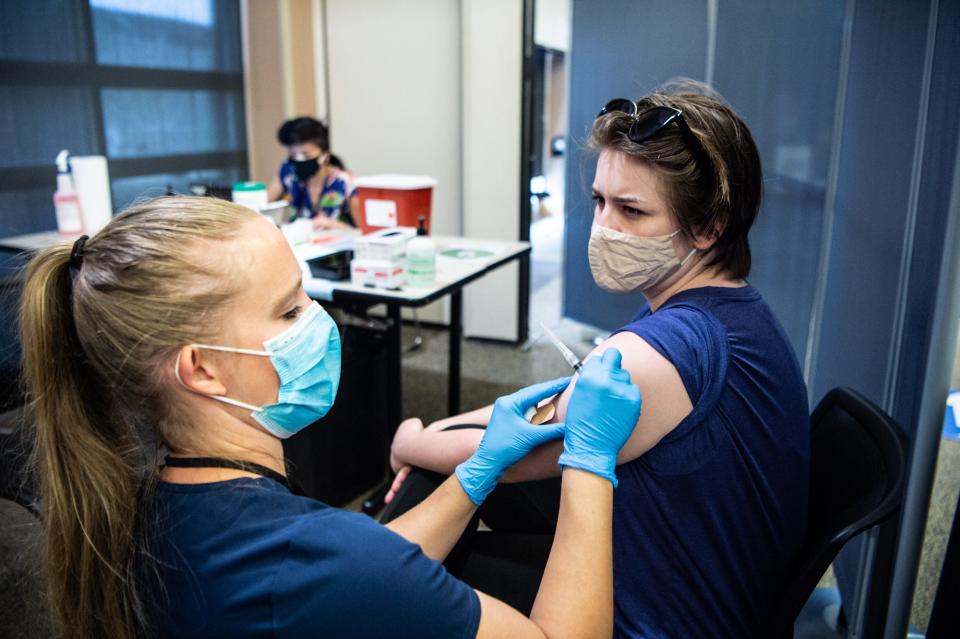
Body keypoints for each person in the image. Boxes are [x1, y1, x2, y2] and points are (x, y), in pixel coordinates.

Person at [19, 195, 643, 639]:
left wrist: (477, 470)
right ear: (201, 369)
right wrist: (588, 460)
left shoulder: (151, 500)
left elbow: (366, 561)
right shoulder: (301, 558)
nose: (320, 321)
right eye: (289, 312)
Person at [387, 80, 811, 637]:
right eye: (600, 201)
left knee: (403, 570)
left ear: (708, 227)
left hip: (664, 614)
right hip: (675, 547)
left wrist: (410, 439)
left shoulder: (659, 354)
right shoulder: (725, 307)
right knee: (440, 480)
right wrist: (438, 437)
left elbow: (516, 451)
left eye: (631, 211)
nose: (605, 227)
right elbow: (534, 416)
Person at [267, 116, 356, 230]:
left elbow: (363, 233)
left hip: (337, 244)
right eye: (293, 155)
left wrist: (333, 225)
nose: (299, 160)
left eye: (306, 155)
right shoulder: (289, 172)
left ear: (325, 155)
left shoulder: (346, 184)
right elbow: (263, 202)